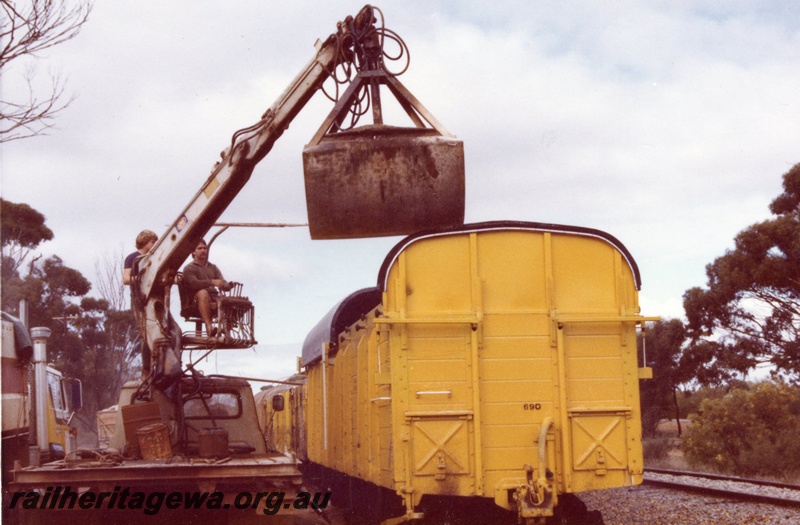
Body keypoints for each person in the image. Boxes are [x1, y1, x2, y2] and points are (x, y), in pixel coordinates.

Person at [182, 239, 232, 338]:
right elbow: (193, 284)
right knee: (203, 293)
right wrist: (212, 282)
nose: (203, 250)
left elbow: (221, 281)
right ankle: (209, 328)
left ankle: (227, 330)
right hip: (195, 301)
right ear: (193, 252)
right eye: (199, 248)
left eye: (205, 248)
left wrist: (227, 285)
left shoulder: (213, 267)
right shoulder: (189, 268)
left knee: (232, 301)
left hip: (213, 297)